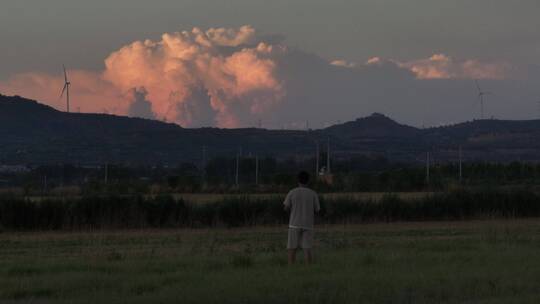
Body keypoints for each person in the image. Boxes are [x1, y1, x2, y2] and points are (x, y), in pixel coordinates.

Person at [283, 171, 320, 265]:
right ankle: (308, 268)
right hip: (308, 224)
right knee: (307, 248)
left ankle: (291, 267)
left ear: (298, 180)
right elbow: (317, 210)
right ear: (308, 181)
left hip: (294, 224)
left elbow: (286, 207)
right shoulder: (313, 194)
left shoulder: (292, 192)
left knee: (292, 248)